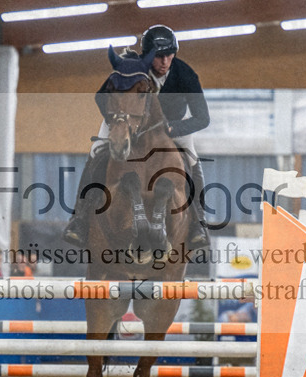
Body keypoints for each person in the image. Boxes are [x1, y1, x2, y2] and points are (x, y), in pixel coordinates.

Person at [63, 24, 211, 250]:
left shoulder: (186, 74)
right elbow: (101, 97)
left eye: (169, 55)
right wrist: (118, 122)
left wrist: (174, 129)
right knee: (96, 153)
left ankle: (199, 224)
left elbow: (203, 118)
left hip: (172, 127)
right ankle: (80, 220)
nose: (165, 62)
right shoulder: (130, 67)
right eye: (159, 56)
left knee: (192, 160)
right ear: (148, 54)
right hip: (125, 123)